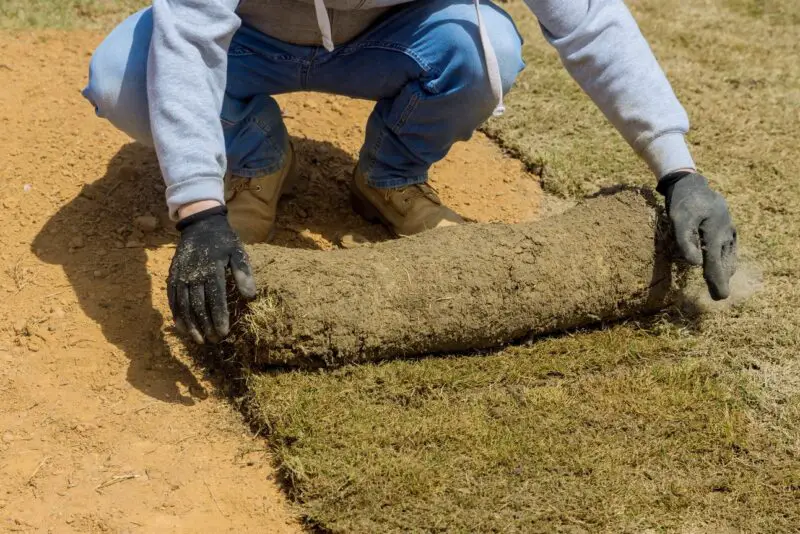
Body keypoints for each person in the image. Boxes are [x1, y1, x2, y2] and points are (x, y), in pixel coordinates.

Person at [82, 0, 737, 344]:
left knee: (485, 49)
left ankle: (390, 177)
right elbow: (190, 36)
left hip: (389, 41)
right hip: (248, 40)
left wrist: (679, 171)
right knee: (122, 78)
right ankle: (254, 160)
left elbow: (591, 24)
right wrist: (198, 210)